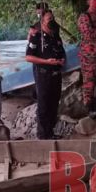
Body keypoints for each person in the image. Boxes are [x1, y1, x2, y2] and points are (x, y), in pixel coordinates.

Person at [25, 8, 66, 139]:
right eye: (49, 20)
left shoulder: (56, 35)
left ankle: (51, 132)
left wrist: (62, 59)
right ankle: (43, 135)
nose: (52, 21)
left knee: (54, 103)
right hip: (43, 75)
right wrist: (46, 61)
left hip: (56, 74)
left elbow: (61, 51)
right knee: (43, 104)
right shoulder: (37, 37)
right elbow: (28, 57)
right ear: (42, 23)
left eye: (52, 19)